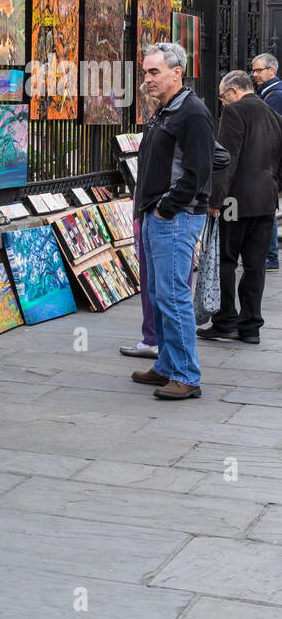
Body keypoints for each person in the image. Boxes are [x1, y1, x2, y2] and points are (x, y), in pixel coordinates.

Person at [131, 42, 215, 401]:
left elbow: (200, 169)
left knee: (174, 295)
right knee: (158, 293)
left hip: (175, 218)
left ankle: (185, 374)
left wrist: (168, 206)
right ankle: (167, 365)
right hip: (157, 214)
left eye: (154, 72)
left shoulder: (191, 112)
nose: (147, 78)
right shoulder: (165, 109)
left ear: (176, 72)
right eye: (146, 72)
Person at [198, 70, 282, 344]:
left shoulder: (235, 113)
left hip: (235, 202)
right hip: (265, 201)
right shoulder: (273, 114)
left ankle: (225, 321)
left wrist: (215, 200)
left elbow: (226, 160)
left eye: (223, 97)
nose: (223, 103)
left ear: (234, 91)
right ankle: (251, 327)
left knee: (226, 260)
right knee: (255, 265)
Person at [120, 85, 165, 360]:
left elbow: (213, 158)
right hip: (153, 209)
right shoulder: (160, 121)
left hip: (159, 212)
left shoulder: (169, 121)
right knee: (159, 283)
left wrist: (168, 204)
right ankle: (158, 341)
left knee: (158, 283)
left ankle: (155, 340)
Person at [249, 53, 282, 269]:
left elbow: (271, 129)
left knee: (265, 207)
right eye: (253, 70)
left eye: (259, 70)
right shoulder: (266, 93)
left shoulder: (275, 95)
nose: (255, 74)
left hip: (268, 162)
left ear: (272, 71)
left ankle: (270, 256)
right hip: (267, 163)